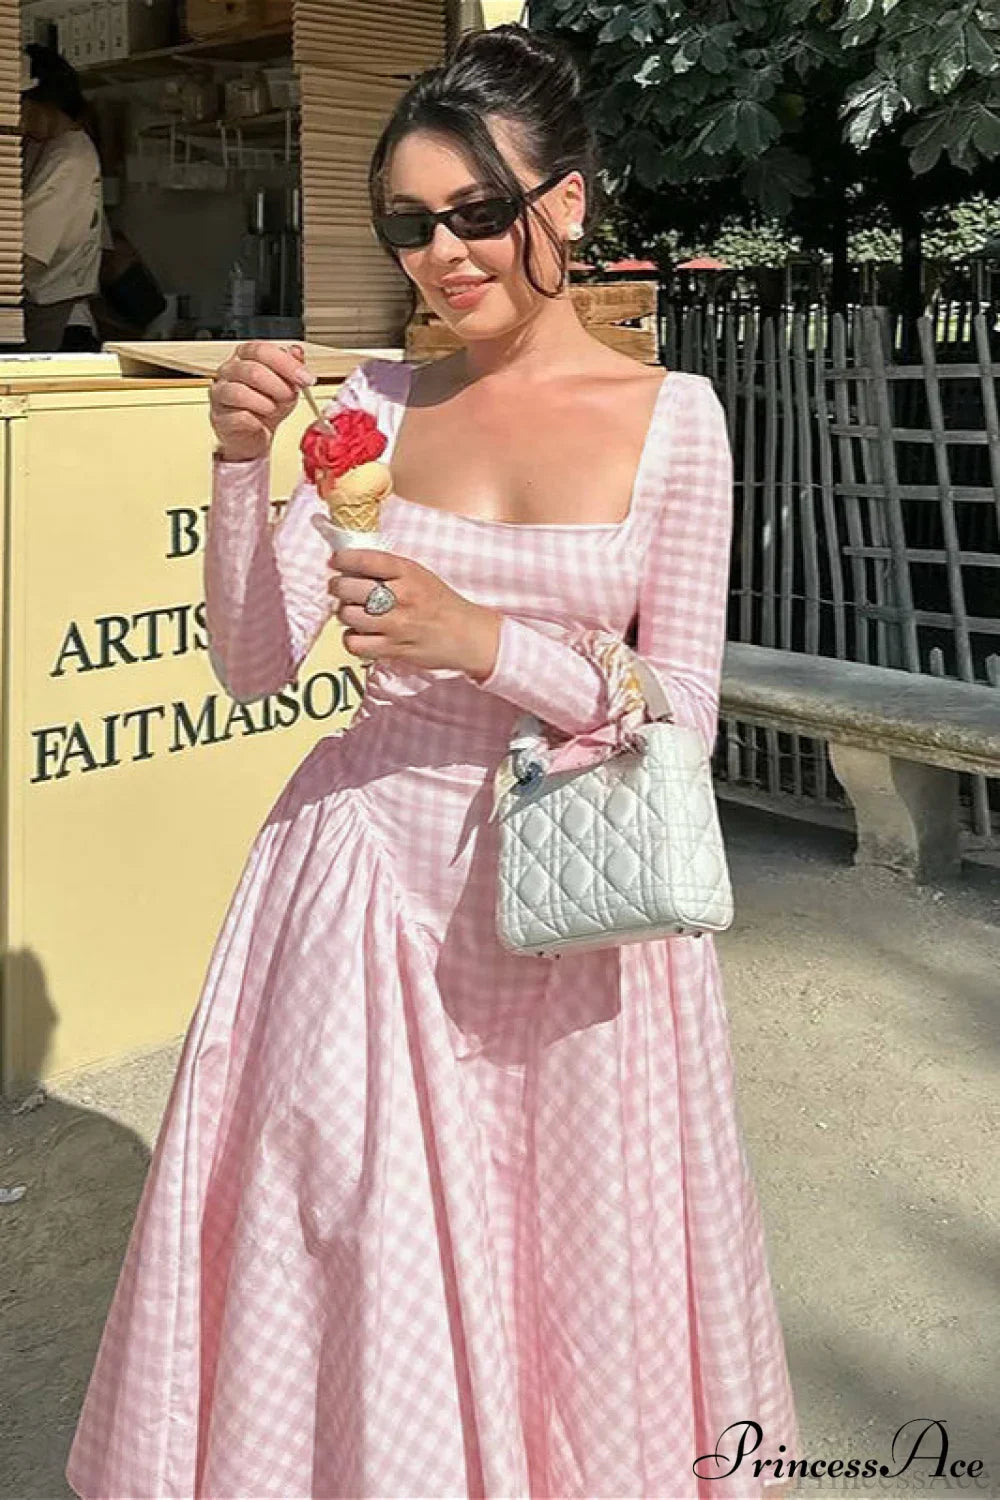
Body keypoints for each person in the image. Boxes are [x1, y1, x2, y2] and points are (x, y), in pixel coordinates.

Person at [66, 26, 799, 1500]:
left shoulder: (678, 425)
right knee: (349, 1243)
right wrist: (234, 467)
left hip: (578, 909)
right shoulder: (376, 409)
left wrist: (487, 644)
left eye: (476, 212)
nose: (444, 256)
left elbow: (685, 720)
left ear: (566, 202)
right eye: (410, 224)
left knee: (571, 1266)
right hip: (364, 896)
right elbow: (256, 663)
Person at [19, 44, 104, 352]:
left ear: (40, 101)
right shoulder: (38, 147)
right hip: (38, 316)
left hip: (59, 322)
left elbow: (28, 256)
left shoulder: (71, 158)